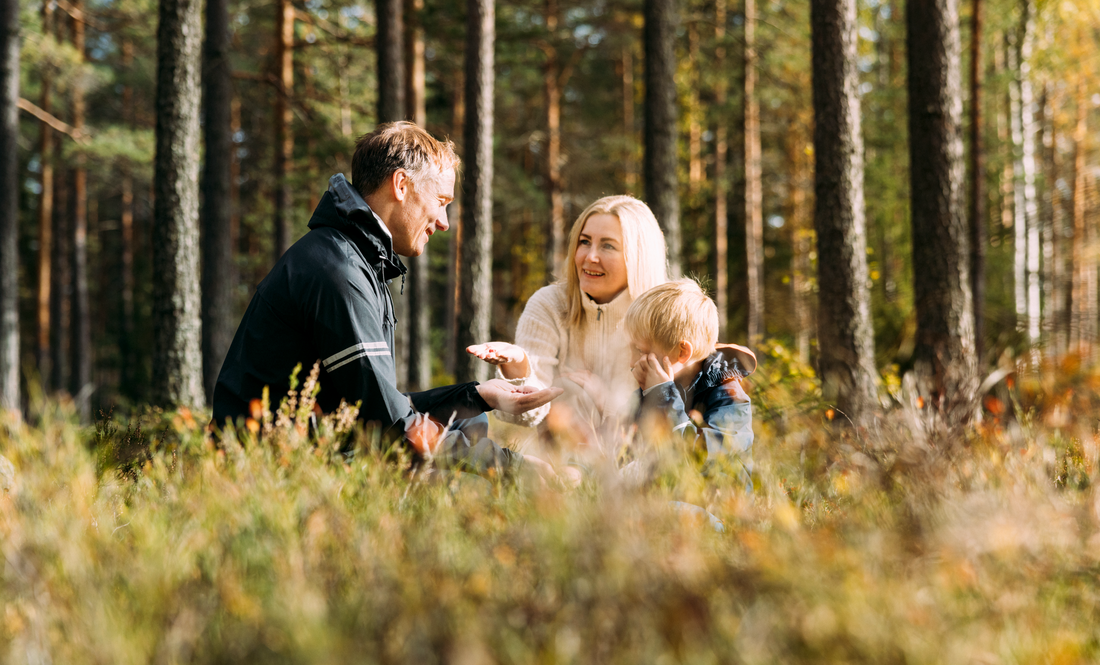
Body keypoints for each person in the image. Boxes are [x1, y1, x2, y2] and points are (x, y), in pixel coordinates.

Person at [212, 122, 561, 480]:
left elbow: (374, 405)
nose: (444, 223)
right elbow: (390, 425)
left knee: (473, 420)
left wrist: (475, 395)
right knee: (471, 482)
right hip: (270, 470)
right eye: (441, 203)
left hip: (313, 448)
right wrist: (511, 468)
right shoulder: (338, 271)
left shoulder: (352, 257)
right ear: (400, 185)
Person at [467, 195, 668, 445]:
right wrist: (519, 368)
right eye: (585, 242)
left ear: (639, 256)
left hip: (638, 457)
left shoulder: (664, 316)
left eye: (608, 246)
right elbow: (523, 416)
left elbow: (672, 410)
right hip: (563, 460)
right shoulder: (549, 305)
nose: (590, 256)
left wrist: (603, 402)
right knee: (570, 389)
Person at [624, 279, 756, 486]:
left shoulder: (730, 398)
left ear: (682, 352)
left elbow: (702, 460)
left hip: (716, 506)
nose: (632, 362)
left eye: (640, 351)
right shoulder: (648, 392)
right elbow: (620, 448)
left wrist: (663, 396)